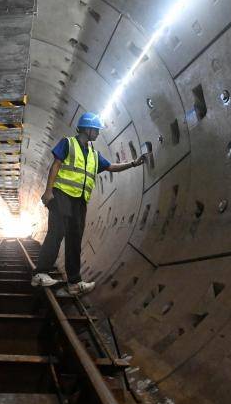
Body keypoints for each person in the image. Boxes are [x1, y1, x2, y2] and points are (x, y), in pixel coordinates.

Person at [31, 112, 146, 294]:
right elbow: (56, 165)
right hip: (62, 195)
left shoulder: (93, 154)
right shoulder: (68, 143)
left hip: (80, 201)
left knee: (75, 240)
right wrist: (48, 191)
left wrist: (133, 163)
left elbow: (111, 167)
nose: (98, 133)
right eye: (96, 130)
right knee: (56, 233)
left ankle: (74, 283)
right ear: (86, 129)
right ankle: (40, 274)